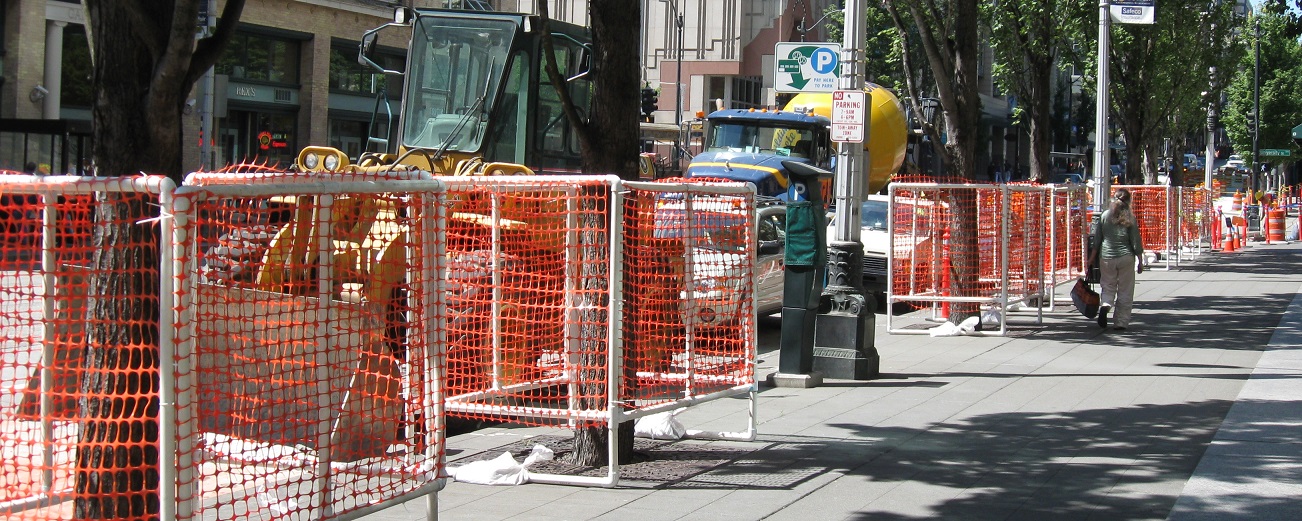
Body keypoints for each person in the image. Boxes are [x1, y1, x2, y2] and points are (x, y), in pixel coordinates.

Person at [1090, 188, 1145, 330]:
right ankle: (1121, 322)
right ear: (1128, 201)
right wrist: (1140, 260)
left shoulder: (1105, 216)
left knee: (1108, 285)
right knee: (1125, 289)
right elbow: (1135, 241)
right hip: (1126, 256)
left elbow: (1097, 240)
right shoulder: (1130, 218)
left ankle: (1106, 305)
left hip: (1107, 256)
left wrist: (1091, 259)